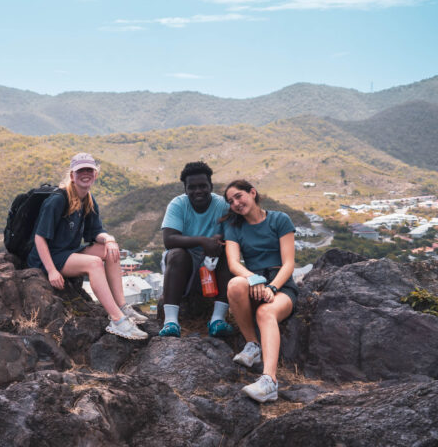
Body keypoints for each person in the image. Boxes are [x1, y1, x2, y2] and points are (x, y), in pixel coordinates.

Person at [27, 153, 148, 340]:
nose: (85, 174)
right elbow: (39, 238)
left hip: (68, 252)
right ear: (72, 175)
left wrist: (109, 238)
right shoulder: (58, 200)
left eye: (89, 170)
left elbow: (95, 233)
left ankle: (122, 306)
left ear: (95, 174)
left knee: (110, 251)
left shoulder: (87, 199)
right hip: (49, 257)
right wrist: (51, 270)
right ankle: (117, 320)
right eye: (80, 170)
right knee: (94, 263)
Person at [222, 179, 298, 403]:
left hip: (281, 283)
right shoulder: (234, 227)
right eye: (231, 201)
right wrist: (254, 280)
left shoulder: (279, 219)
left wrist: (273, 287)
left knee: (266, 313)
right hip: (253, 281)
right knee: (234, 284)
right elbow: (234, 263)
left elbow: (289, 263)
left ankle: (269, 381)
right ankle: (252, 344)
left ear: (252, 193)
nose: (236, 203)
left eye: (239, 196)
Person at [159, 161, 234, 338]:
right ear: (185, 189)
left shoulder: (222, 206)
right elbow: (169, 240)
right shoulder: (178, 205)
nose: (198, 191)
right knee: (177, 254)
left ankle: (217, 320)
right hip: (183, 269)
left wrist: (219, 240)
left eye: (202, 186)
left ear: (211, 186)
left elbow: (234, 237)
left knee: (229, 255)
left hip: (213, 265)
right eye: (192, 187)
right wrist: (203, 241)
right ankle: (170, 322)